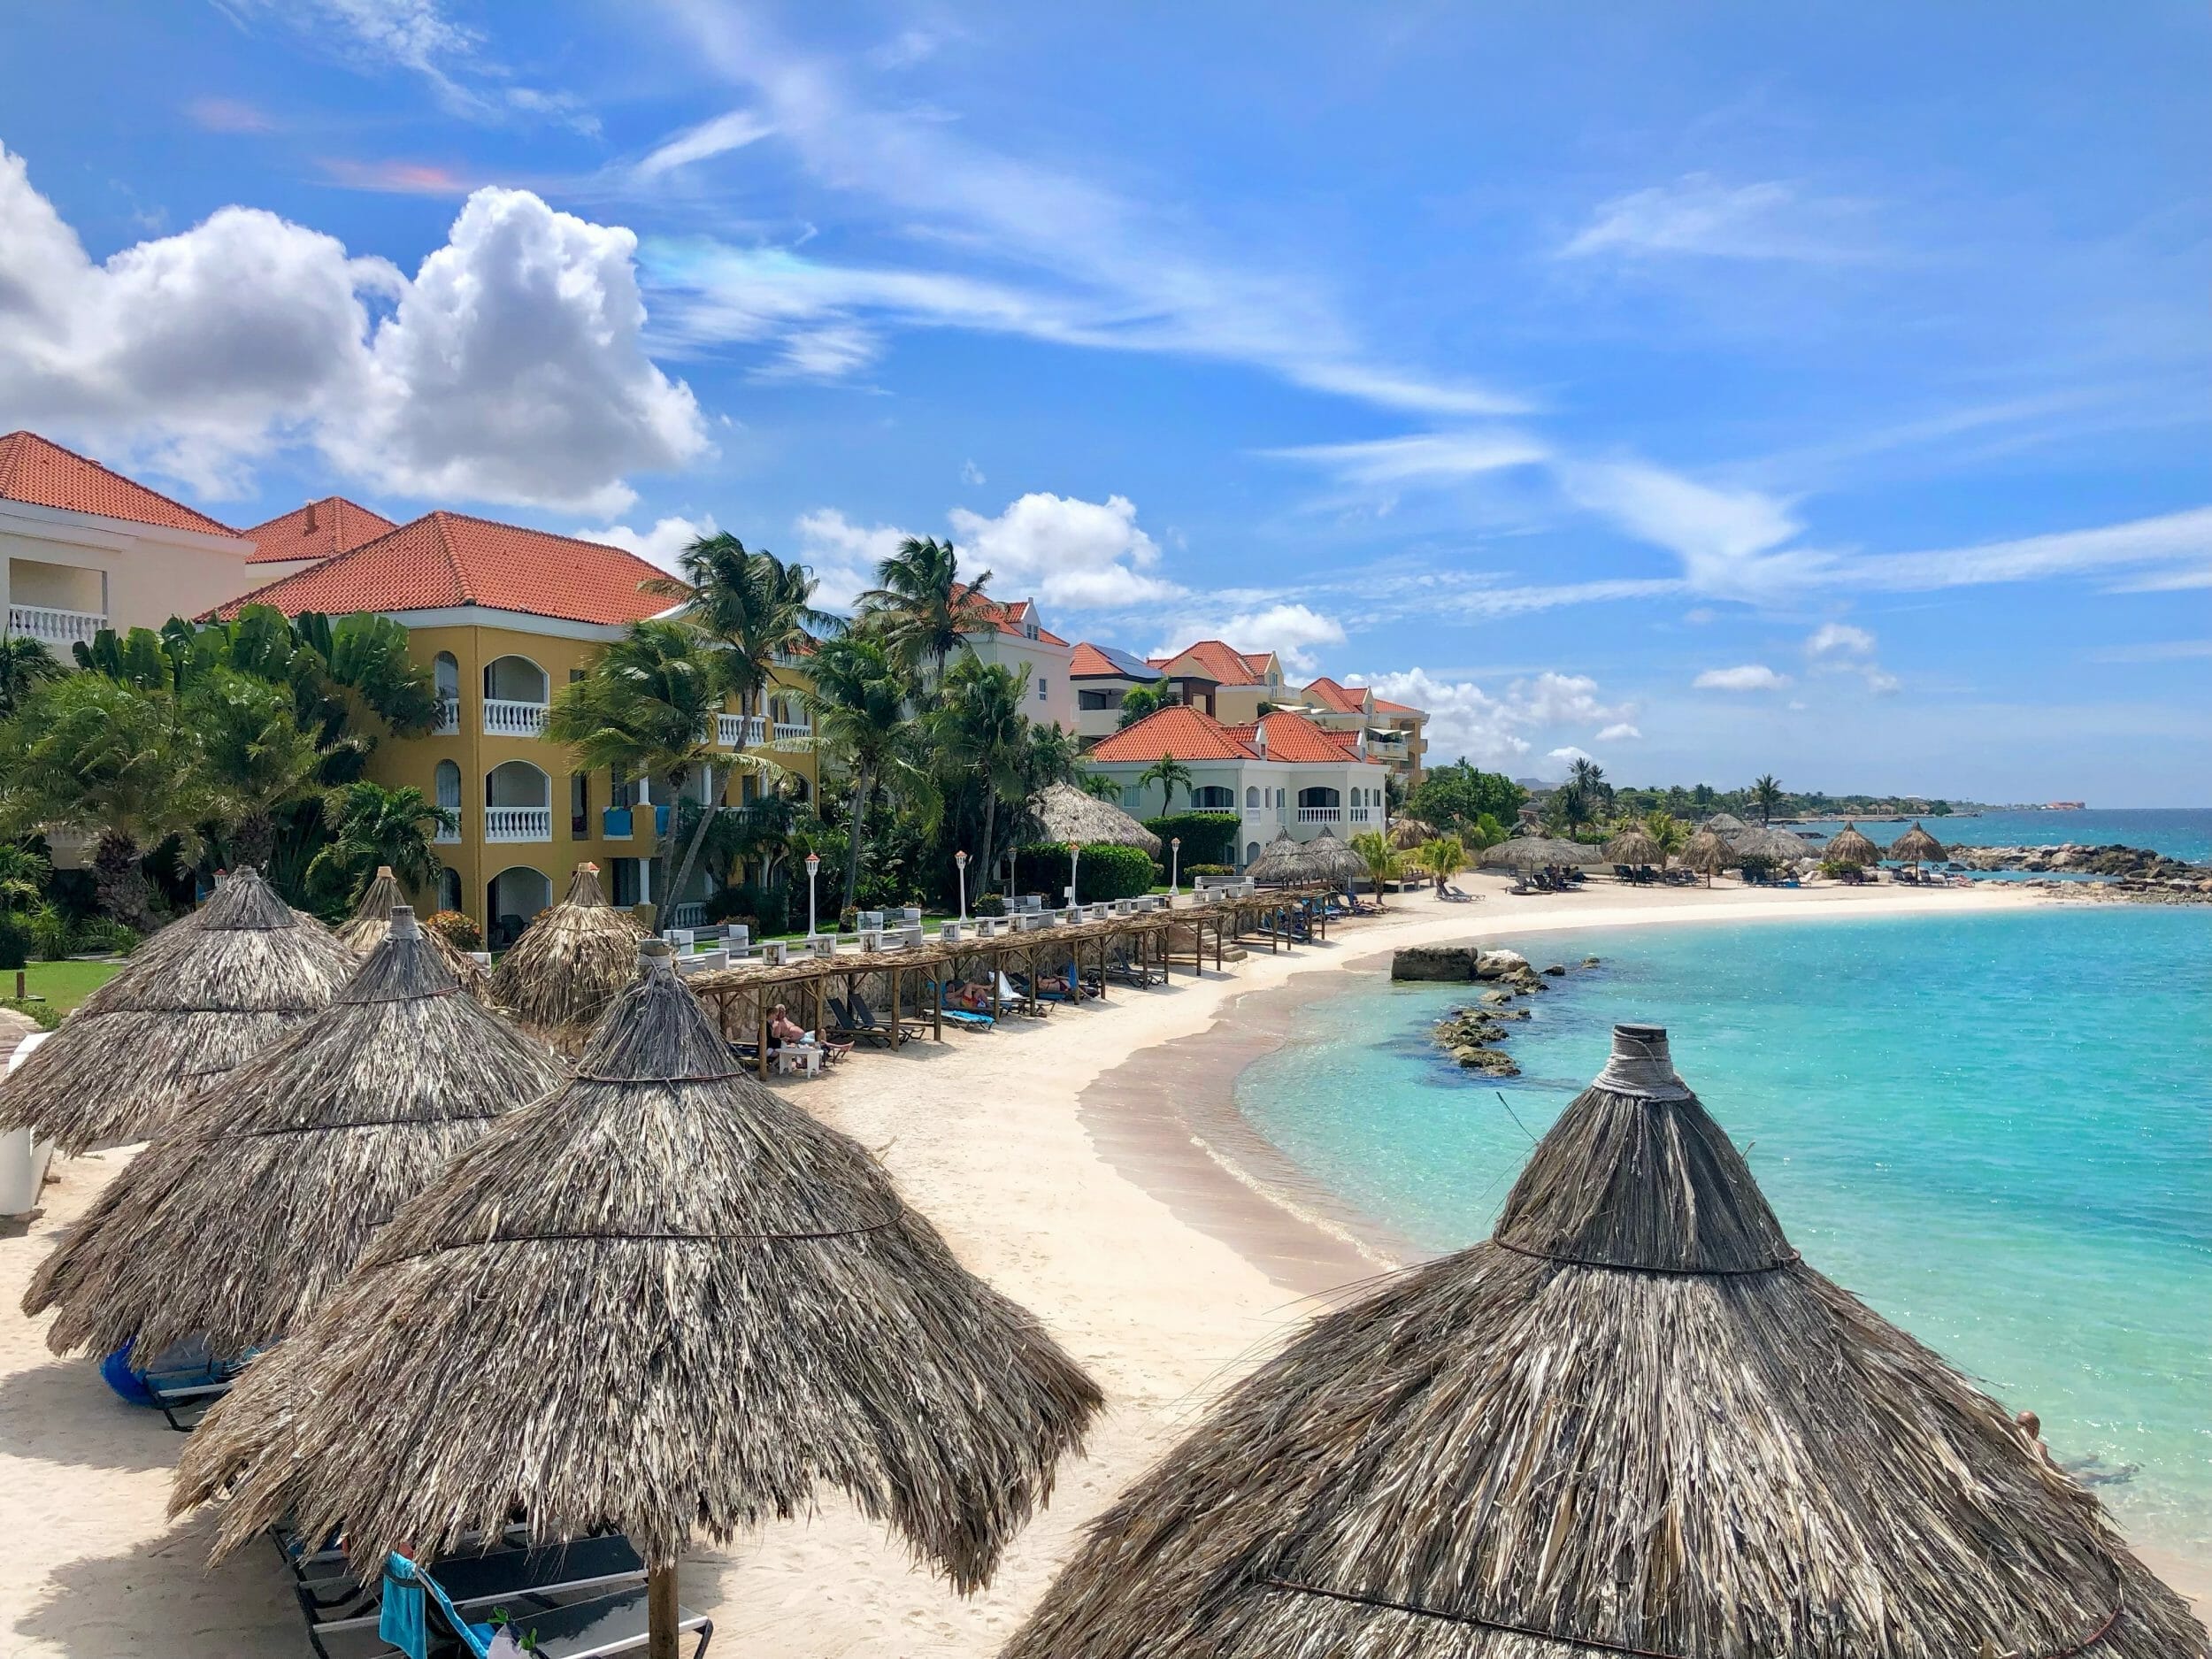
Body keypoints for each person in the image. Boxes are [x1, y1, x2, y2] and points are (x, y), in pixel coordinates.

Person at [770, 1002, 850, 1057]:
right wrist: (789, 1041)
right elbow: (778, 1038)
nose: (783, 1013)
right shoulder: (778, 1024)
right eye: (781, 1012)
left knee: (822, 1031)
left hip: (805, 1035)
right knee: (820, 1041)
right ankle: (841, 1047)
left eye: (784, 1011)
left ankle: (824, 1051)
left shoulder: (785, 1019)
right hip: (800, 1040)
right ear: (777, 1013)